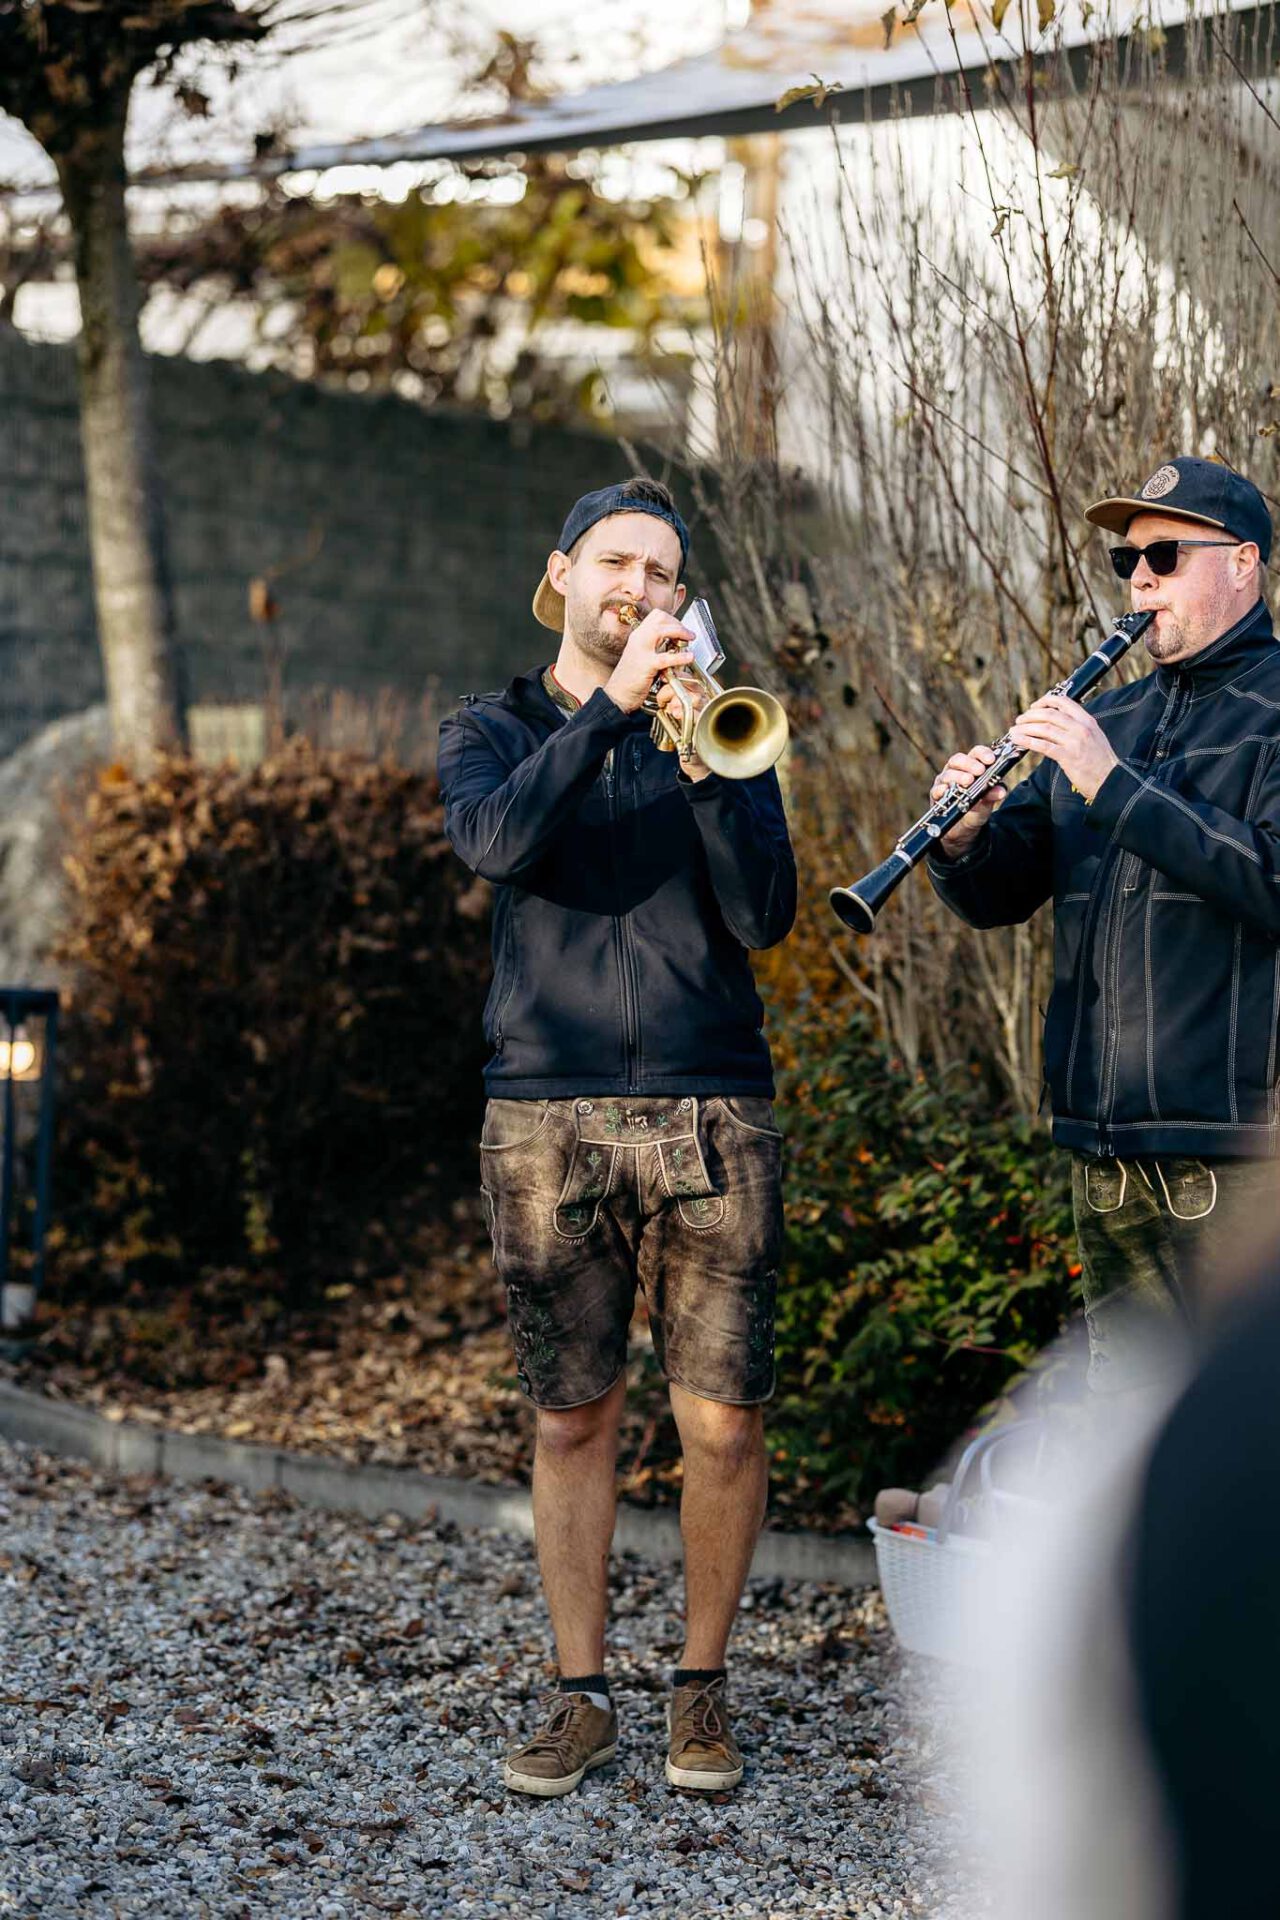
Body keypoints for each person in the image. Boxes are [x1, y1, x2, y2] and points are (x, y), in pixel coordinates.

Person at [437, 477, 796, 1797]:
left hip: (715, 1104)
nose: (642, 590)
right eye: (618, 565)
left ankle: (700, 1694)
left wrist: (702, 757)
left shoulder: (720, 730)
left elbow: (767, 914)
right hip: (546, 1114)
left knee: (725, 1425)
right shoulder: (493, 726)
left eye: (665, 574)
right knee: (572, 1419)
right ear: (565, 576)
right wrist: (605, 713)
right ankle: (580, 1692)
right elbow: (496, 840)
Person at [927, 455, 1280, 1386]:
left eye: (1164, 553)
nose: (1139, 580)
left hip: (1242, 1153)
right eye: (1127, 562)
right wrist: (964, 841)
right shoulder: (1106, 717)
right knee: (1130, 1444)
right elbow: (1008, 892)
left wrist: (1115, 788)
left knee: (1245, 1443)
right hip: (1106, 1148)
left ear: (1244, 563)